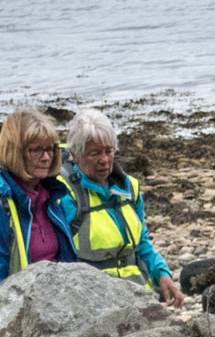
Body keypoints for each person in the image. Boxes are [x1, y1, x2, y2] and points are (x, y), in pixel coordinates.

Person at [0, 106, 78, 314]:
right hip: (20, 322)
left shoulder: (52, 198)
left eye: (50, 149)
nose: (46, 157)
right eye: (36, 150)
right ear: (15, 151)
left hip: (58, 312)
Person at [61, 108, 184, 307]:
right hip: (91, 302)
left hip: (137, 296)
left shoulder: (129, 189)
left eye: (109, 151)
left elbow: (142, 243)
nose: (104, 159)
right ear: (76, 154)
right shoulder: (66, 194)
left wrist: (162, 274)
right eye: (95, 153)